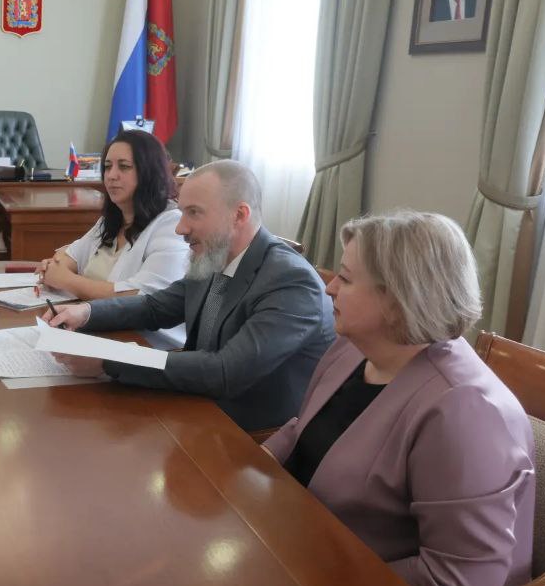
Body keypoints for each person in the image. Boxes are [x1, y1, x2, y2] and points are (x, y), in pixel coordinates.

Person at [263, 211, 535, 586]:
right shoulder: (354, 346)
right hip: (311, 562)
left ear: (398, 301)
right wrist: (247, 471)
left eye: (346, 278)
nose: (329, 288)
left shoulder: (463, 412)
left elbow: (457, 584)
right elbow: (302, 428)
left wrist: (326, 579)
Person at [44, 160, 334, 432]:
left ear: (239, 215)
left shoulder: (291, 282)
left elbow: (225, 372)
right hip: (196, 405)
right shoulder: (216, 254)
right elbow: (155, 307)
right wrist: (86, 312)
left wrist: (110, 360)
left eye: (194, 213)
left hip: (248, 434)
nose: (180, 228)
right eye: (182, 212)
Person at [34, 130, 189, 348]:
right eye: (107, 167)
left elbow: (140, 298)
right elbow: (68, 257)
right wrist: (56, 269)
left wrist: (65, 280)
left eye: (124, 167)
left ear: (149, 172)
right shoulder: (111, 220)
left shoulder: (171, 225)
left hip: (144, 344)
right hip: (98, 333)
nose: (111, 175)